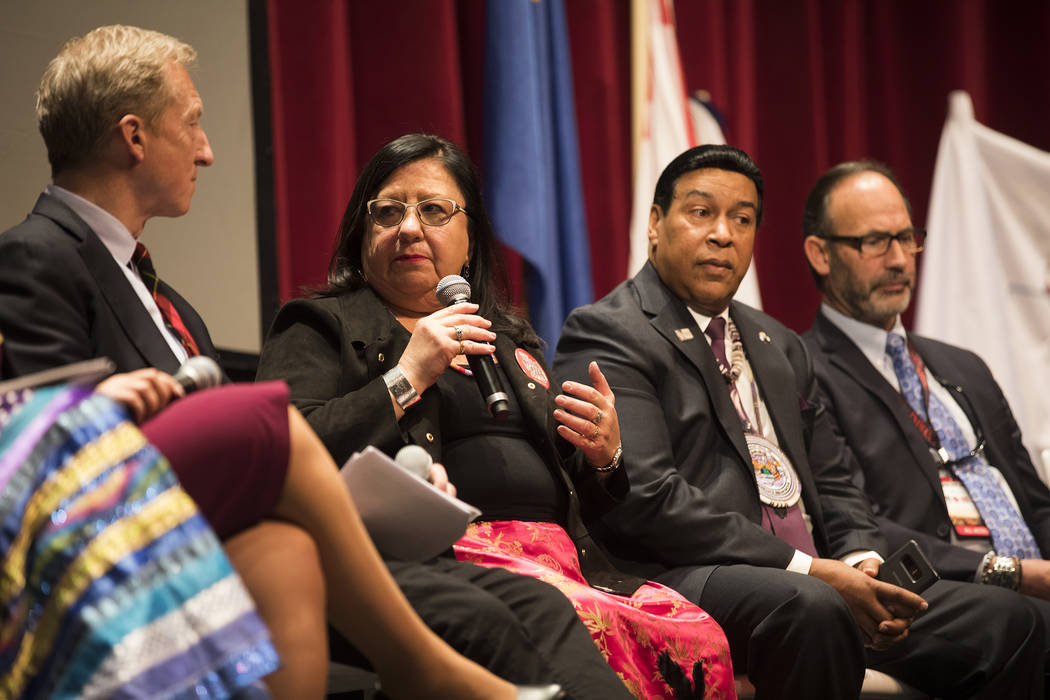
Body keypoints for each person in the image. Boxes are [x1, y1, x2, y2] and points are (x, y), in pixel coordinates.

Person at [0, 24, 604, 698]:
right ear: (135, 138)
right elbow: (33, 450)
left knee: (512, 601)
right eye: (192, 123)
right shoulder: (38, 256)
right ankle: (418, 662)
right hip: (125, 540)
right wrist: (102, 407)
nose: (205, 150)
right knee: (271, 425)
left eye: (436, 211)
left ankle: (421, 657)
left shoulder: (170, 303)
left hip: (227, 528)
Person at [553, 143, 1047, 699]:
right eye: (701, 212)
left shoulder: (778, 343)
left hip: (819, 577)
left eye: (743, 219)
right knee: (813, 607)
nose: (723, 234)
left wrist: (863, 561)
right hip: (690, 574)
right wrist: (807, 569)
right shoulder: (611, 331)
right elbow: (648, 494)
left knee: (1013, 621)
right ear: (654, 222)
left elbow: (834, 482)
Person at [256, 132, 736, 699]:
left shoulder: (508, 342)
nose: (407, 227)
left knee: (699, 633)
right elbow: (279, 452)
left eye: (433, 210)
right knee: (554, 613)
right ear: (363, 235)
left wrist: (605, 457)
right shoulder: (319, 326)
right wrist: (406, 376)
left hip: (567, 562)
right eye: (387, 212)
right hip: (444, 563)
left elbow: (580, 499)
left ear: (470, 241)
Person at [799, 162, 1050, 632]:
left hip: (1033, 585)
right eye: (875, 241)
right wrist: (1011, 573)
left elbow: (1036, 503)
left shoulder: (965, 367)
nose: (898, 259)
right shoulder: (804, 371)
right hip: (940, 593)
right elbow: (853, 520)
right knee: (1019, 620)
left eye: (906, 237)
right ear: (821, 254)